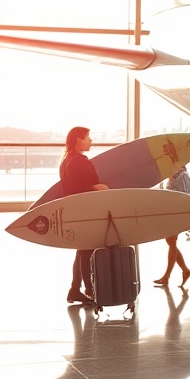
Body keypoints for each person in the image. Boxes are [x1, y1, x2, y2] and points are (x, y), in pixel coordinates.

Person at [59, 126, 108, 304]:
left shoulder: (66, 159)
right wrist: (96, 188)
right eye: (88, 137)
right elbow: (78, 189)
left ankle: (75, 289)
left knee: (82, 251)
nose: (90, 140)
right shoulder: (78, 161)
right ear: (78, 140)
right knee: (86, 251)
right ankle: (89, 291)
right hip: (85, 211)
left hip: (74, 211)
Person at [154, 166, 190, 287]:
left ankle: (167, 276)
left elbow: (182, 195)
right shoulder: (177, 174)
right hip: (174, 212)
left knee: (171, 242)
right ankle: (185, 270)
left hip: (177, 213)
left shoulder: (179, 174)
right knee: (171, 242)